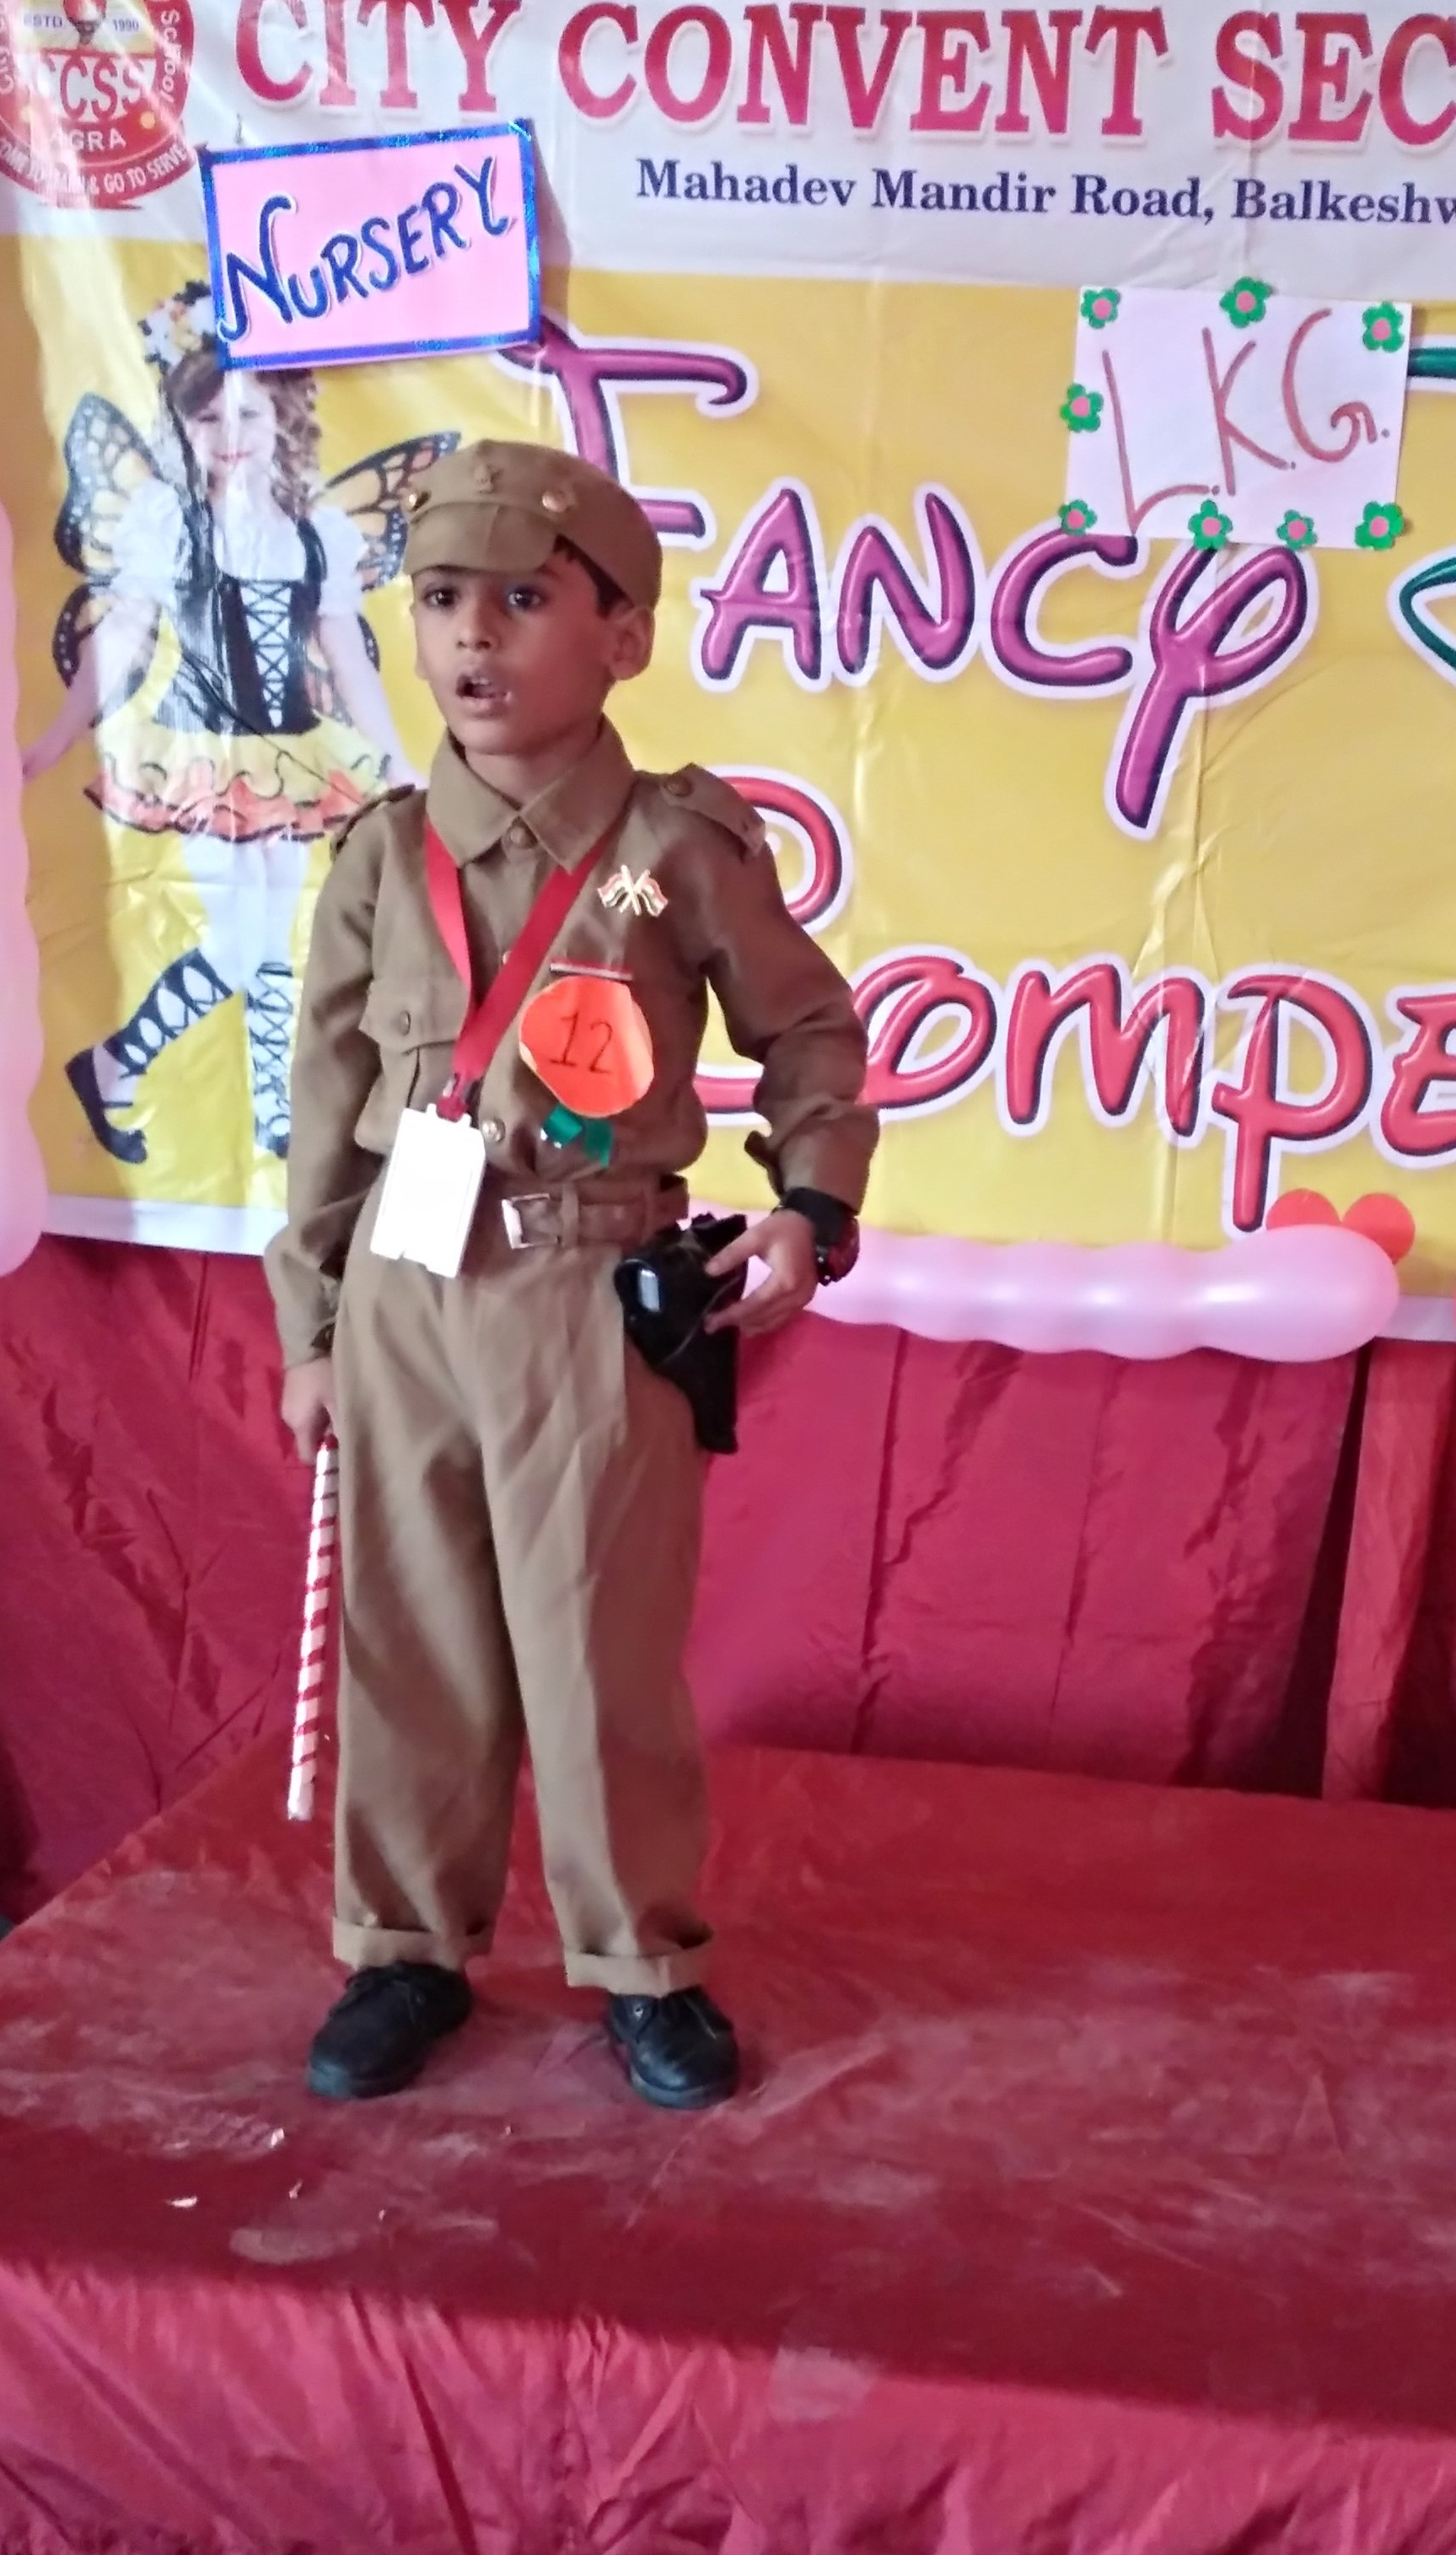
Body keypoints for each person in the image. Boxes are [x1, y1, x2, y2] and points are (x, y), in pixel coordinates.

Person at [266, 438, 875, 2113]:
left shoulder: (668, 848)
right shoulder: (383, 855)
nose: (473, 636)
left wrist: (807, 1210)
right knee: (410, 1638)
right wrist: (313, 1330)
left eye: (525, 599)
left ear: (622, 637)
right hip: (405, 1292)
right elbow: (326, 1107)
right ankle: (404, 1947)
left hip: (585, 1290)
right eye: (440, 598)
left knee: (598, 1654)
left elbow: (810, 1030)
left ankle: (640, 1963)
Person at [22, 282, 434, 1165]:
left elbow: (348, 658)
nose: (232, 433)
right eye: (209, 417)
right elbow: (123, 632)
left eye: (249, 412)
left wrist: (399, 761)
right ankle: (115, 1063)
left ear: (283, 417)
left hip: (293, 751)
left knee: (276, 932)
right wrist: (58, 735)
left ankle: (272, 1115)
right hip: (202, 751)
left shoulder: (316, 533)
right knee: (242, 941)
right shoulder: (169, 522)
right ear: (184, 426)